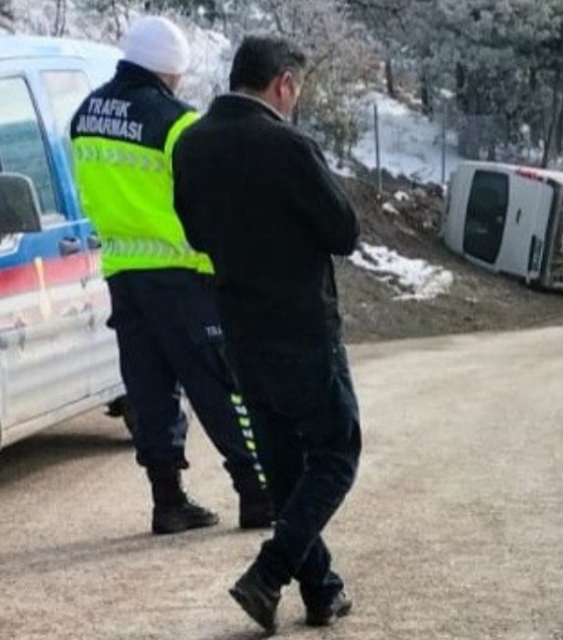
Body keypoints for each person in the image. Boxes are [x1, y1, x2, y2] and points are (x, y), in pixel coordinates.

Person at [172, 36, 361, 632]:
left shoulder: (192, 143)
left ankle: (321, 590)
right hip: (303, 327)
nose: (296, 101)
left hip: (240, 330)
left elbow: (196, 235)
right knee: (336, 452)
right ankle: (269, 572)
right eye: (297, 90)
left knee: (284, 468)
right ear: (282, 84)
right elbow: (344, 230)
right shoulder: (288, 144)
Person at [70, 16, 270, 536]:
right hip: (181, 274)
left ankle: (168, 501)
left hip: (122, 272)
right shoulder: (176, 122)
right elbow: (207, 198)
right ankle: (257, 493)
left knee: (149, 387)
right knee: (219, 386)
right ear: (170, 70)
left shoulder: (84, 114)